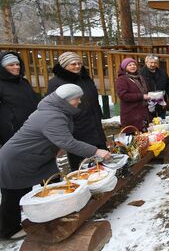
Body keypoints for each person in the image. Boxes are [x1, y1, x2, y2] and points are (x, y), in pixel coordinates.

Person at [0, 84, 111, 239]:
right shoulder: (52, 115)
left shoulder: (57, 110)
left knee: (51, 183)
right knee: (14, 194)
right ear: (65, 100)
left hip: (35, 157)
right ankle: (8, 230)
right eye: (76, 99)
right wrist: (96, 151)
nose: (79, 102)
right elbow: (68, 142)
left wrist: (56, 147)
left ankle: (54, 214)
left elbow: (57, 137)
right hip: (17, 159)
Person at [46, 52, 107, 171]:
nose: (77, 66)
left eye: (79, 63)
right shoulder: (56, 83)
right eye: (73, 64)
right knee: (82, 161)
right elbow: (55, 107)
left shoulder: (84, 77)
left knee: (101, 158)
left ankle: (103, 181)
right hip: (76, 126)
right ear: (64, 65)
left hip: (93, 122)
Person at [0, 52, 38, 147]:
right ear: (2, 67)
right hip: (12, 130)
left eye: (17, 64)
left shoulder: (24, 82)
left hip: (32, 125)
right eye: (11, 65)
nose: (16, 67)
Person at [115, 58, 151, 133]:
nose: (133, 66)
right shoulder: (122, 79)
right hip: (130, 114)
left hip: (143, 113)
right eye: (130, 65)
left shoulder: (140, 78)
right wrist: (141, 96)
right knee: (133, 139)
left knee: (144, 139)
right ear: (124, 67)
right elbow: (123, 95)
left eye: (134, 64)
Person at [139, 54, 169, 119]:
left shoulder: (162, 72)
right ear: (146, 62)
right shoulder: (140, 73)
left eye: (155, 63)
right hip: (147, 102)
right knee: (150, 124)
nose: (153, 64)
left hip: (161, 102)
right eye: (151, 62)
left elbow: (168, 85)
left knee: (161, 122)